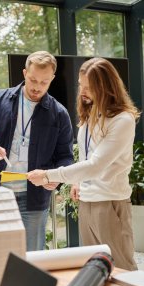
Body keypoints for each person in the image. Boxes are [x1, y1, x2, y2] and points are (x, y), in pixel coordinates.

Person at [27, 57, 140, 270]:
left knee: (122, 268)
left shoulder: (122, 120)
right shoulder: (92, 113)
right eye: (81, 85)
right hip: (87, 201)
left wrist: (49, 175)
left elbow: (96, 165)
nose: (83, 91)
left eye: (89, 87)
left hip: (110, 202)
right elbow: (87, 156)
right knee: (96, 269)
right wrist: (77, 182)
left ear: (106, 87)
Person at [0, 51, 73, 251]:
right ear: (25, 73)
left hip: (34, 198)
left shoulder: (59, 113)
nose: (37, 87)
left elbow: (66, 156)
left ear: (52, 79)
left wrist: (57, 176)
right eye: (33, 79)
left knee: (32, 258)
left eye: (44, 82)